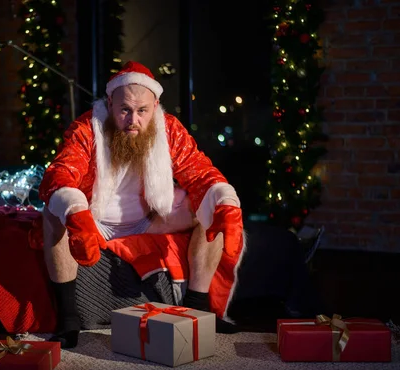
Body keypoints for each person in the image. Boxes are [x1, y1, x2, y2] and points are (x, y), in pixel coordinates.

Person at [38, 61, 245, 348]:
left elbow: (199, 172)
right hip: (95, 220)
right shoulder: (87, 127)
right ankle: (68, 319)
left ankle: (198, 306)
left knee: (210, 207)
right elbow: (60, 174)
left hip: (148, 218)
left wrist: (224, 202)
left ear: (156, 106)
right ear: (110, 103)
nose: (133, 120)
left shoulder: (169, 129)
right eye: (124, 109)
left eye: (142, 111)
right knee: (53, 213)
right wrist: (75, 212)